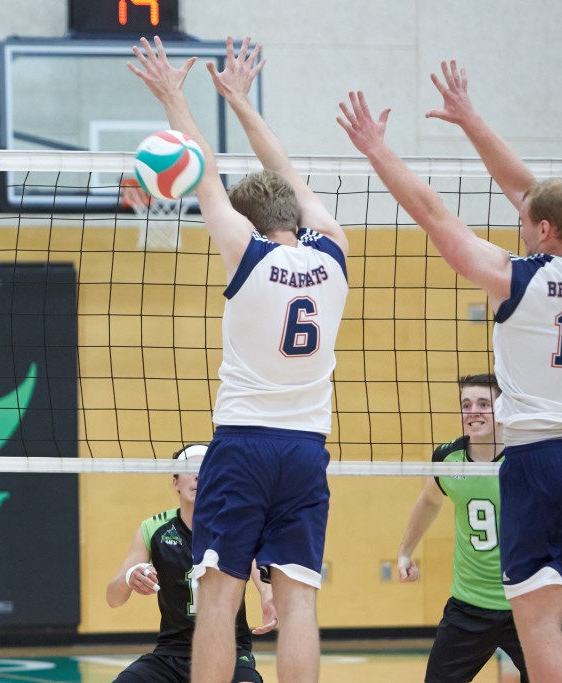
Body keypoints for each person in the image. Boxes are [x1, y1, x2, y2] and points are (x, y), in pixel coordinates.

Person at [338, 61, 562, 681]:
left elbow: (435, 216)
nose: (519, 220)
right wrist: (471, 120)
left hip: (541, 460)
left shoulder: (520, 279)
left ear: (544, 231)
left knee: (540, 624)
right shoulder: (559, 245)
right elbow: (535, 193)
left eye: (527, 221)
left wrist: (376, 151)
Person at [129, 36, 350, 682]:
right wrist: (243, 103)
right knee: (297, 599)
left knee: (221, 600)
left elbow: (201, 173)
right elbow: (288, 179)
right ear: (296, 216)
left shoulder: (245, 253)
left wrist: (175, 94)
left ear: (251, 223)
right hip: (307, 448)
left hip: (244, 445)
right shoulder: (333, 252)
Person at [397, 373, 562, 682]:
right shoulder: (448, 459)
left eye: (484, 403)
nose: (473, 411)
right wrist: (405, 552)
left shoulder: (526, 459)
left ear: (503, 409)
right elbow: (429, 501)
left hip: (527, 602)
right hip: (468, 608)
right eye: (466, 405)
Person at [106, 444, 277, 683]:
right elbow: (113, 599)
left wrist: (268, 596)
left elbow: (258, 569)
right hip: (171, 654)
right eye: (189, 469)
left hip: (229, 650)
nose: (198, 475)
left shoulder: (237, 527)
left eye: (205, 469)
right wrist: (130, 577)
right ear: (175, 481)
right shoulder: (153, 529)